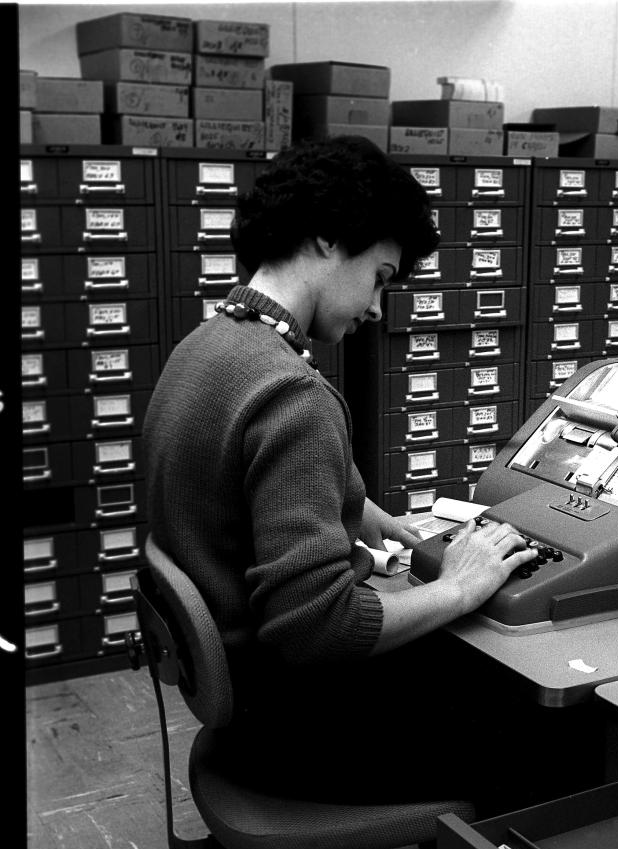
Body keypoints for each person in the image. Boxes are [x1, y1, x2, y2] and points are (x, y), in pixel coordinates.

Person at [142, 135, 538, 808]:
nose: (379, 307)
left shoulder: (206, 348)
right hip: (300, 733)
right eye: (381, 276)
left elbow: (245, 496)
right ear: (328, 238)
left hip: (247, 709)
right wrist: (463, 586)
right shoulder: (292, 394)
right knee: (542, 729)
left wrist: (372, 516)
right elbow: (316, 629)